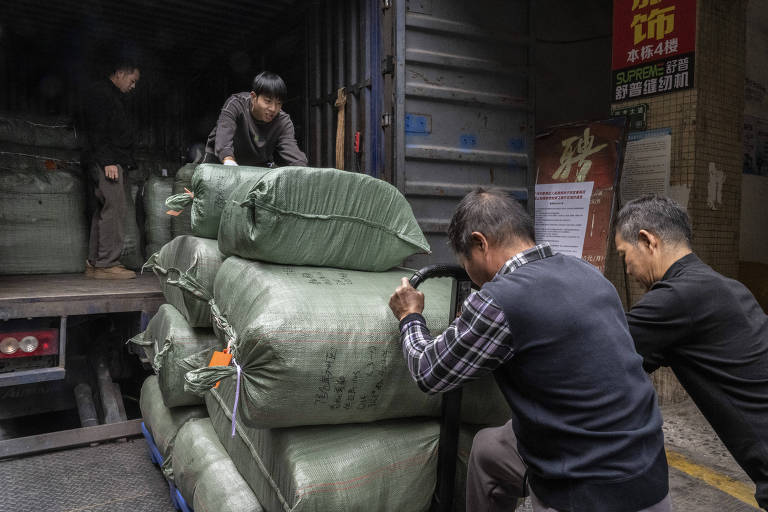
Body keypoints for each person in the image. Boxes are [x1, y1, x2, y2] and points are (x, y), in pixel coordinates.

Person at [389, 188, 671, 512]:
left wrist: (410, 316)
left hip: (589, 492)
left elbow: (429, 372)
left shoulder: (501, 298)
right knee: (489, 449)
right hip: (649, 473)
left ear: (480, 244)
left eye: (465, 261)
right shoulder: (589, 275)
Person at [615, 194, 768, 509]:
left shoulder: (674, 299)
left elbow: (603, 358)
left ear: (647, 241)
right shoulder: (727, 287)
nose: (627, 269)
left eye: (624, 254)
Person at [81, 60, 140, 279]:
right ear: (120, 72)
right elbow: (97, 130)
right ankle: (106, 264)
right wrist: (108, 162)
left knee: (104, 210)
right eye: (132, 81)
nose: (133, 86)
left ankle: (95, 263)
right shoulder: (102, 95)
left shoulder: (110, 95)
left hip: (110, 160)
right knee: (114, 209)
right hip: (107, 162)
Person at [203, 71, 307, 167]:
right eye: (268, 101)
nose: (273, 109)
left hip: (256, 164)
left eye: (278, 103)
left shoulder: (283, 122)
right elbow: (225, 132)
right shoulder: (236, 104)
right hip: (221, 160)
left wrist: (303, 169)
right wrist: (228, 159)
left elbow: (291, 150)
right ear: (253, 97)